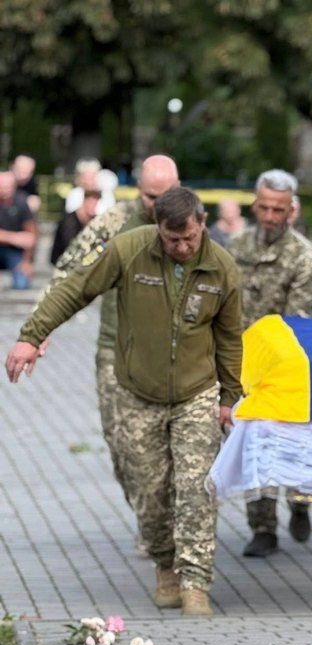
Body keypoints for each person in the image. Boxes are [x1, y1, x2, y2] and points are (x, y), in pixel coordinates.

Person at [6, 186, 243, 616]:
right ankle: (166, 566)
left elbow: (229, 340)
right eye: (172, 240)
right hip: (138, 391)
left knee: (196, 489)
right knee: (149, 493)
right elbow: (74, 289)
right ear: (158, 229)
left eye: (189, 238)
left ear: (202, 224)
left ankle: (195, 583)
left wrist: (230, 397)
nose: (182, 247)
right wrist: (31, 335)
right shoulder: (130, 249)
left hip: (197, 392)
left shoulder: (222, 267)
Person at [50, 154, 181, 555]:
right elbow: (69, 272)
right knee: (124, 448)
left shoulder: (191, 223)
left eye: (165, 195)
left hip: (177, 356)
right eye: (148, 195)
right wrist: (39, 330)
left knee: (176, 453)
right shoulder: (114, 222)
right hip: (117, 351)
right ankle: (150, 522)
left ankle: (171, 529)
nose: (156, 205)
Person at [227, 169, 312, 558]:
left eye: (277, 210)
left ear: (292, 210)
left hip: (285, 363)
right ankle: (262, 527)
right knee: (253, 443)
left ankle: (300, 503)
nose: (269, 216)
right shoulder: (235, 247)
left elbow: (297, 321)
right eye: (263, 207)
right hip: (240, 363)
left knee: (292, 445)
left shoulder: (302, 256)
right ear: (254, 204)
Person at [0, 171, 36, 289]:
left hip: (14, 252)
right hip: (12, 245)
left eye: (8, 186)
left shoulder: (21, 202)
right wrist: (15, 238)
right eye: (2, 186)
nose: (5, 190)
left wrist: (27, 262)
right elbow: (23, 238)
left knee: (22, 283)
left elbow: (30, 237)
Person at [51, 186, 102, 265]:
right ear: (84, 201)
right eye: (91, 202)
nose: (93, 206)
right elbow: (70, 243)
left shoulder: (94, 220)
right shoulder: (68, 221)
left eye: (96, 203)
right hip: (64, 263)